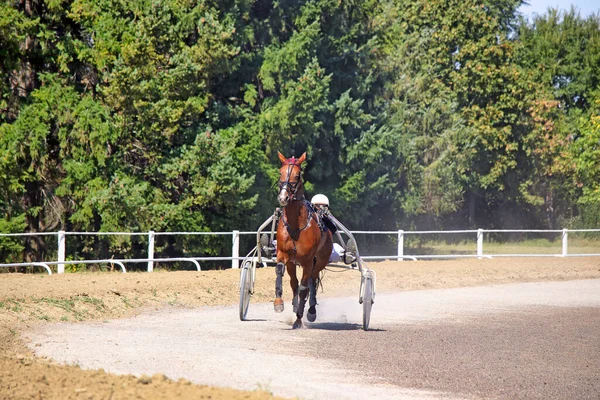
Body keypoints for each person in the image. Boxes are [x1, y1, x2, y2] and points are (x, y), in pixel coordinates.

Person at [310, 194, 355, 264]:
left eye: (323, 206)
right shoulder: (308, 220)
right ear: (313, 206)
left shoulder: (327, 219)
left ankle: (347, 256)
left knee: (336, 247)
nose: (321, 208)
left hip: (324, 251)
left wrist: (326, 218)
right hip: (309, 250)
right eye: (318, 206)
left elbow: (334, 229)